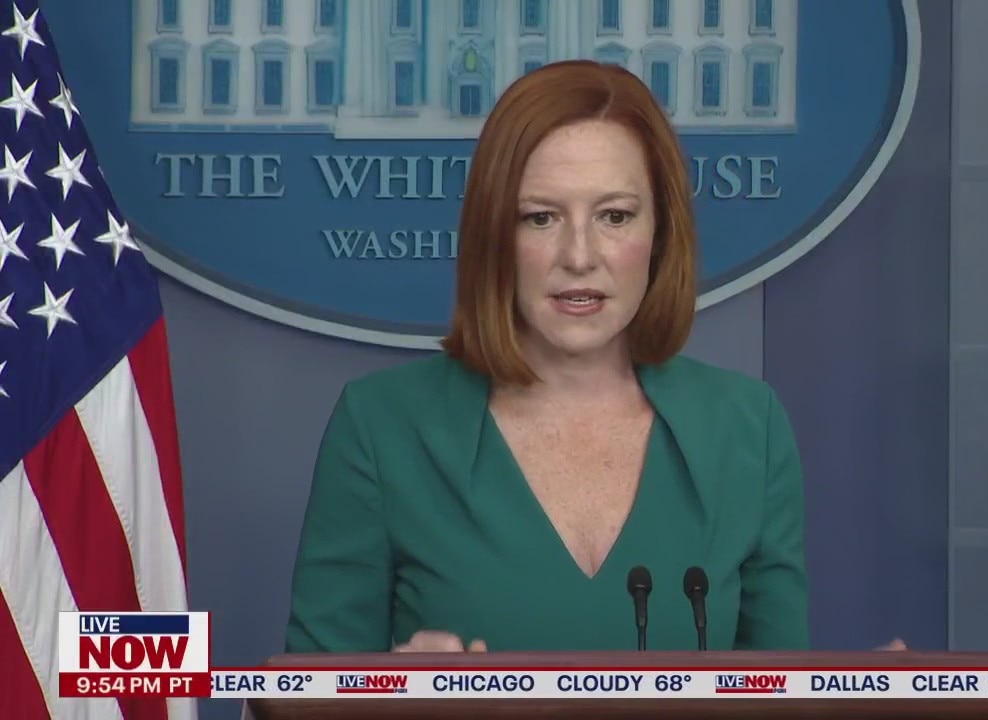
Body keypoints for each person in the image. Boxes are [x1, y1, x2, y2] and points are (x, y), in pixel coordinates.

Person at [285, 60, 884, 654]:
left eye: (614, 216)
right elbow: (294, 695)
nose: (578, 255)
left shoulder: (748, 428)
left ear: (661, 233)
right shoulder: (382, 427)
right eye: (541, 217)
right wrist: (388, 693)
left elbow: (782, 692)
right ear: (494, 234)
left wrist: (867, 698)